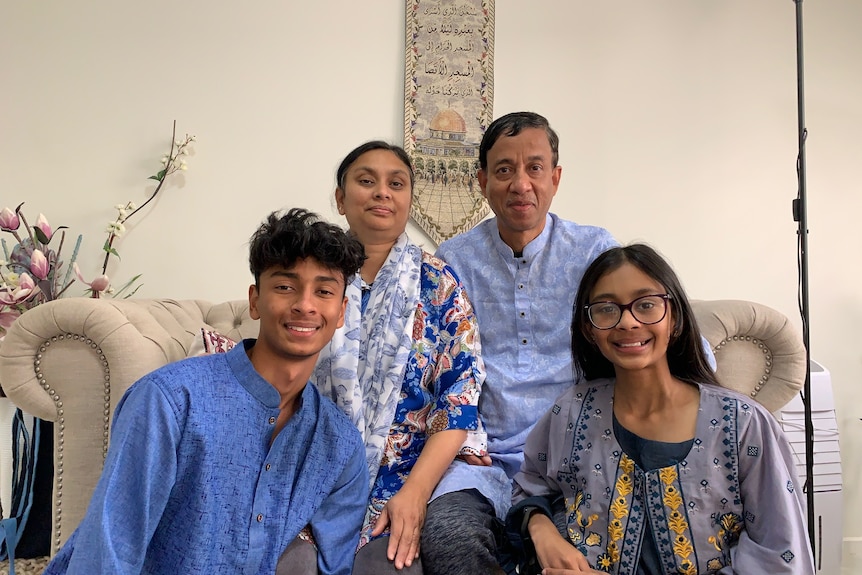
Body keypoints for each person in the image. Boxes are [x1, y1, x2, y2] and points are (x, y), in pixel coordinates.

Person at [43, 208, 370, 575]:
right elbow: (110, 551)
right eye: (285, 286)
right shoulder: (169, 401)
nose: (305, 304)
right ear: (255, 300)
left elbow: (335, 567)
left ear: (341, 311)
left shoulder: (339, 444)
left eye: (323, 291)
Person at [506, 243, 815, 574]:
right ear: (588, 328)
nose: (627, 322)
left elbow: (781, 558)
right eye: (607, 309)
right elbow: (531, 486)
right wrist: (540, 529)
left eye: (646, 304)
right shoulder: (570, 412)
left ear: (676, 318)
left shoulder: (743, 425)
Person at [424, 111, 618, 573]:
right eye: (504, 170)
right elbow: (439, 369)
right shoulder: (453, 260)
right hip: (480, 457)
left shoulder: (594, 251)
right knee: (450, 537)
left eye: (534, 167)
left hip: (578, 451)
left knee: (593, 542)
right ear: (482, 180)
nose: (521, 183)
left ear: (555, 177)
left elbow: (650, 332)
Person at [292, 141, 485, 574]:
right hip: (307, 473)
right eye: (366, 181)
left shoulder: (438, 283)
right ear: (340, 200)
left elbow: (461, 395)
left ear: (408, 201)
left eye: (396, 184)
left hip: (402, 476)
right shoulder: (309, 281)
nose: (382, 192)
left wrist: (415, 494)